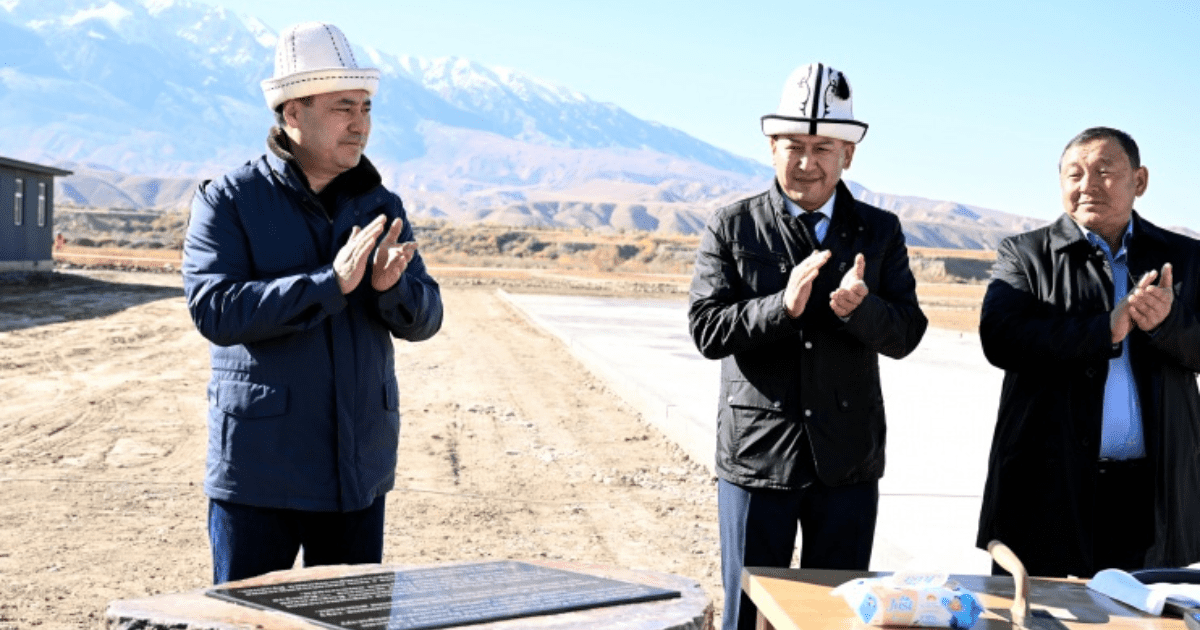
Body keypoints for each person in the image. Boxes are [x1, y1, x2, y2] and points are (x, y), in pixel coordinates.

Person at [182, 22, 444, 584]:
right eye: (343, 108)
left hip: (357, 472)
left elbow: (428, 316)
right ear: (292, 113)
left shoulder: (380, 204)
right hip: (259, 472)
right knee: (247, 619)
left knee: (351, 618)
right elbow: (214, 308)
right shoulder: (229, 200)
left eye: (366, 108)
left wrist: (391, 289)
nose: (360, 124)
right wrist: (330, 284)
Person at [688, 63, 928, 630]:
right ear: (771, 147)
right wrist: (782, 306)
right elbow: (706, 328)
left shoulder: (880, 231)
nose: (807, 162)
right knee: (747, 616)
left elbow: (907, 332)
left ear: (849, 154)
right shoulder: (732, 226)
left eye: (823, 148)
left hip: (847, 462)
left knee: (839, 617)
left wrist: (861, 310)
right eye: (794, 146)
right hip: (756, 456)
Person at [976, 127, 1200, 578]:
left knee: (1143, 610)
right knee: (1045, 610)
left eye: (1103, 171)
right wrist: (1103, 330)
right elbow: (1000, 338)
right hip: (1046, 487)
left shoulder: (1185, 258)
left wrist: (1167, 324)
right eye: (1074, 174)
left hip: (1152, 492)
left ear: (1139, 181)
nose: (1087, 185)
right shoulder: (1025, 254)